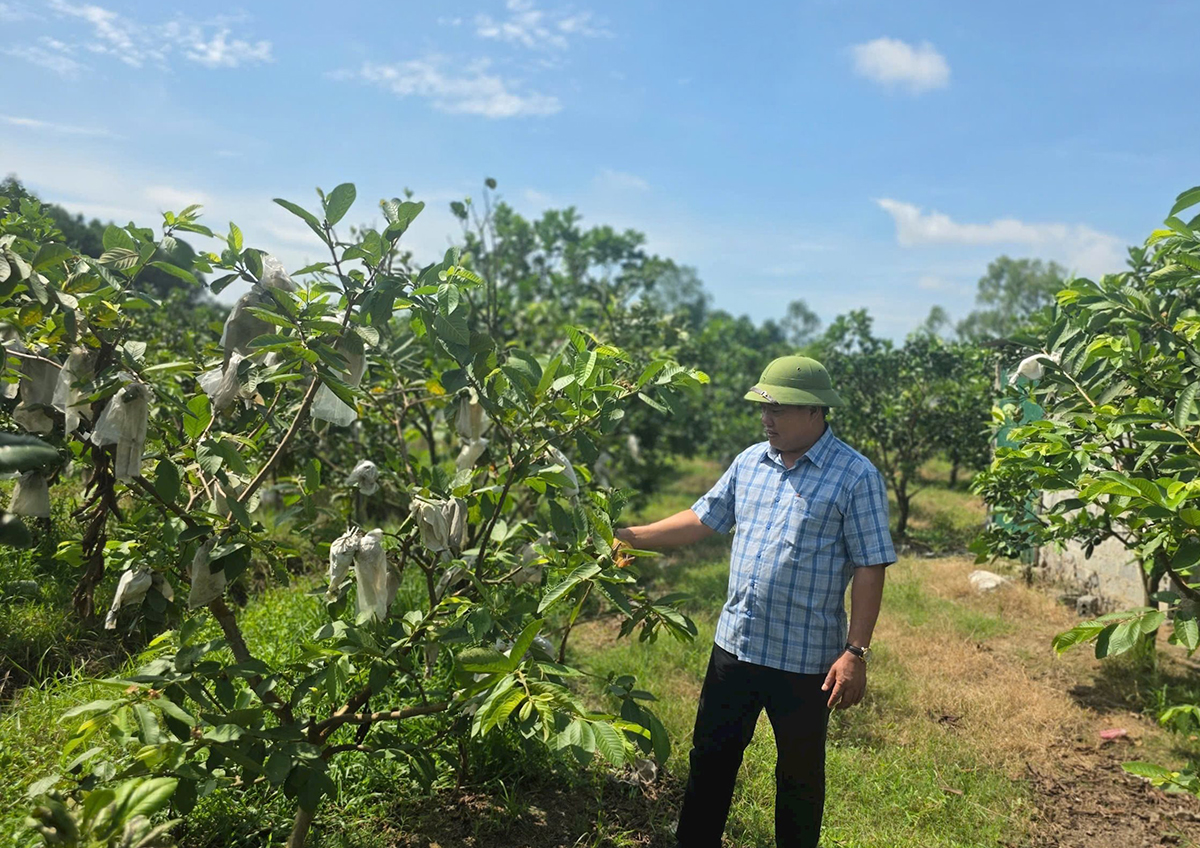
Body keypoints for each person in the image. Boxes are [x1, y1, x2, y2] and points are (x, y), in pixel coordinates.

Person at [615, 355, 895, 848]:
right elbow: (704, 518)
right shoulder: (750, 462)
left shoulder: (855, 476)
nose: (766, 419)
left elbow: (871, 565)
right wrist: (632, 536)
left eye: (778, 409)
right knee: (710, 760)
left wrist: (855, 653)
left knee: (799, 777)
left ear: (815, 411)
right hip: (736, 648)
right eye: (762, 408)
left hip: (806, 661)